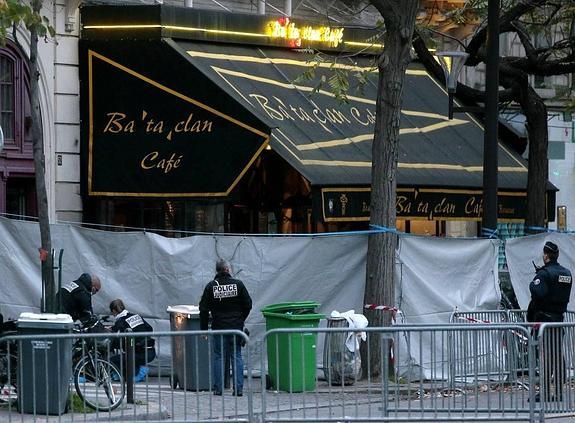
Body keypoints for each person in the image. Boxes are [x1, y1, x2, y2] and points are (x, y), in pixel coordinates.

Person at [527, 241, 572, 402]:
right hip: (559, 320)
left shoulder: (544, 274)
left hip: (545, 320)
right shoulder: (566, 273)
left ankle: (545, 391)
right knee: (558, 357)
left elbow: (538, 292)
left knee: (546, 356)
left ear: (546, 255)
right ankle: (559, 391)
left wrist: (535, 280)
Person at [199, 259, 252, 396]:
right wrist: (241, 319)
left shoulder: (211, 286)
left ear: (217, 270)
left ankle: (218, 389)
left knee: (219, 357)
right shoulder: (238, 284)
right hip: (236, 327)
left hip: (219, 326)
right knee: (237, 356)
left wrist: (204, 329)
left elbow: (203, 309)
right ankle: (238, 389)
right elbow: (248, 304)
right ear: (228, 269)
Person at [109, 299, 156, 382]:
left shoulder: (120, 321)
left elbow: (117, 336)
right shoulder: (136, 316)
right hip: (150, 351)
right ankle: (138, 371)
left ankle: (139, 372)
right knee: (127, 357)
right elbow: (149, 328)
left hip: (140, 353)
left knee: (113, 360)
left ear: (113, 311)